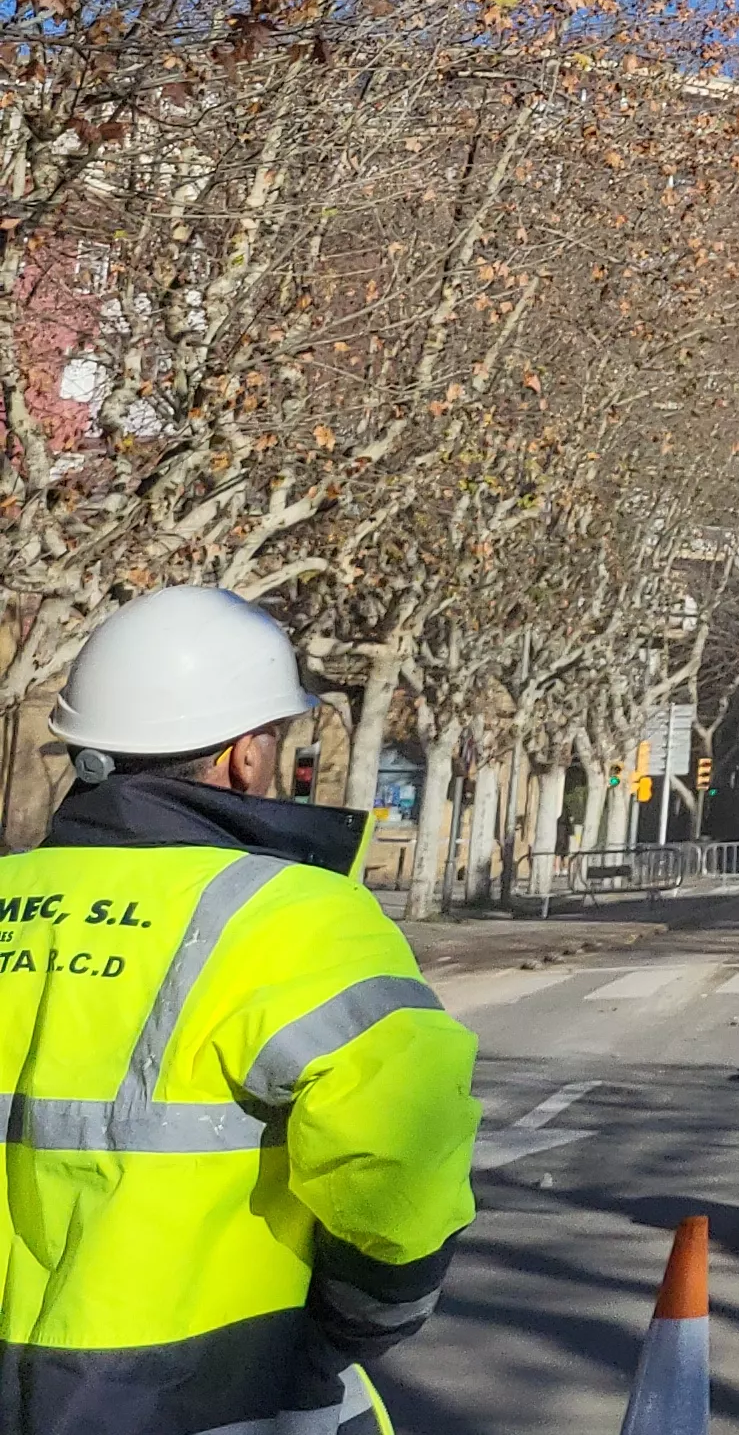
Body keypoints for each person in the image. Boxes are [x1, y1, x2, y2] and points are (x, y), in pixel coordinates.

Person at [0, 586, 482, 1434]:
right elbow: (398, 1168)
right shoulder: (300, 916)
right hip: (209, 1396)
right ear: (244, 755)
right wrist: (351, 1328)